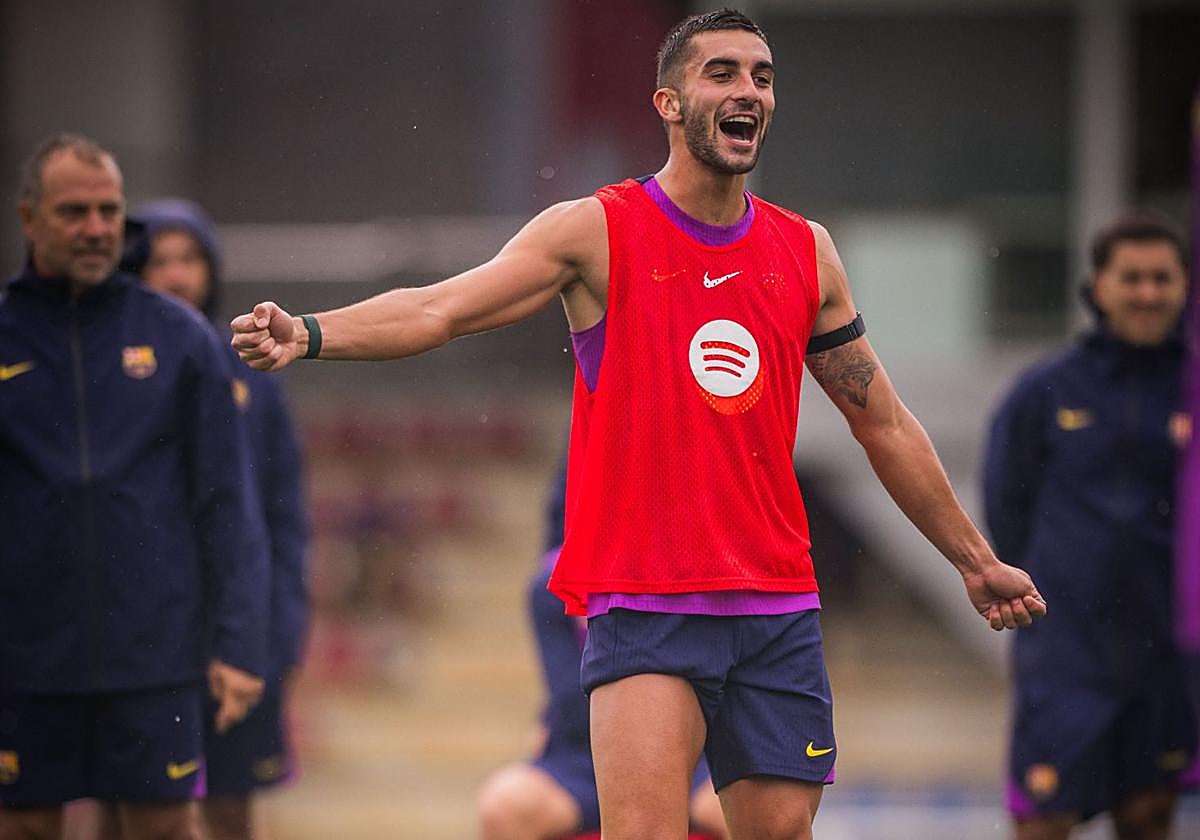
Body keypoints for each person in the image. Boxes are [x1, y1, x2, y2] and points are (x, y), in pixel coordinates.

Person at [232, 10, 1046, 838]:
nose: (748, 92)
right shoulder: (597, 232)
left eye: (762, 77)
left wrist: (974, 562)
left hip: (776, 605)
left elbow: (886, 426)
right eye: (721, 73)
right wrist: (310, 332)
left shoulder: (808, 253)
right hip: (648, 602)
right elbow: (440, 309)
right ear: (668, 101)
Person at [0, 135, 269, 840]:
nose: (95, 228)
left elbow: (228, 502)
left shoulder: (180, 338)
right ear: (29, 220)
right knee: (24, 828)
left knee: (164, 829)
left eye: (109, 210)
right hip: (24, 658)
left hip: (155, 657)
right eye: (73, 211)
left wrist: (239, 642)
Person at [984, 213, 1195, 840]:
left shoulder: (1195, 389)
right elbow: (1005, 506)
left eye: (1163, 278)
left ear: (1185, 286)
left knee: (1148, 815)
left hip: (1167, 656)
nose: (1148, 293)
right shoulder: (1045, 392)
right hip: (1065, 653)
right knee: (1046, 818)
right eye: (1132, 278)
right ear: (1098, 286)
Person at [108, 200, 307, 840]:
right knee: (125, 809)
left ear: (211, 268)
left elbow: (282, 515)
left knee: (227, 809)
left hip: (236, 624)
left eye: (189, 259)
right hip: (138, 628)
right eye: (160, 260)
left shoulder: (254, 373)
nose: (175, 275)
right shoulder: (105, 373)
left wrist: (279, 630)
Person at [476, 460, 727, 840]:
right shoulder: (553, 584)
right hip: (585, 764)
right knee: (504, 805)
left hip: (687, 754)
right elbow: (570, 697)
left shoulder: (693, 566)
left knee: (737, 809)